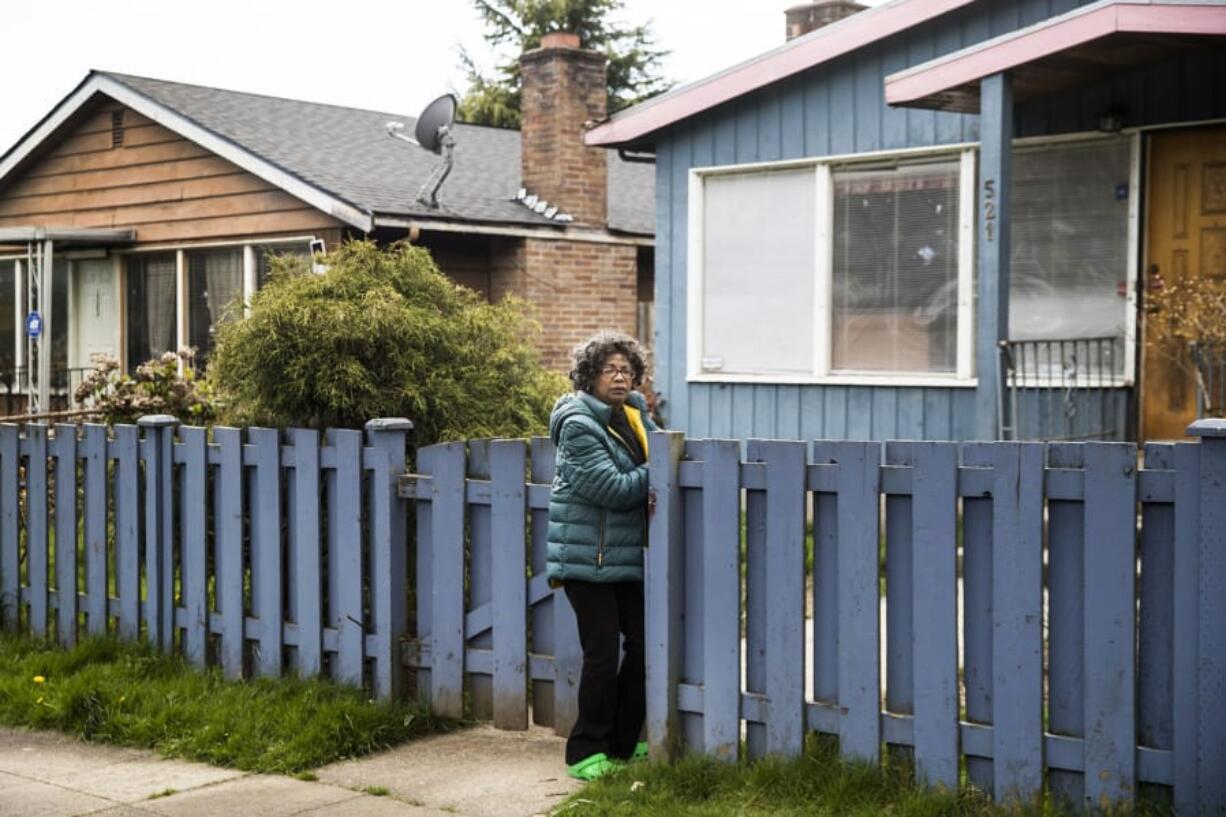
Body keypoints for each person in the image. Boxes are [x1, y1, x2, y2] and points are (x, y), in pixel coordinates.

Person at [547, 330, 658, 781]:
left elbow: (650, 463)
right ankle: (585, 750)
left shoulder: (632, 417)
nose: (620, 377)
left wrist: (652, 466)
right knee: (601, 653)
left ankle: (624, 743)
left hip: (624, 555)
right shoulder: (577, 423)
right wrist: (657, 473)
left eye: (627, 370)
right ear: (589, 375)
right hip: (587, 558)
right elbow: (612, 489)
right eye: (610, 369)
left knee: (644, 645)